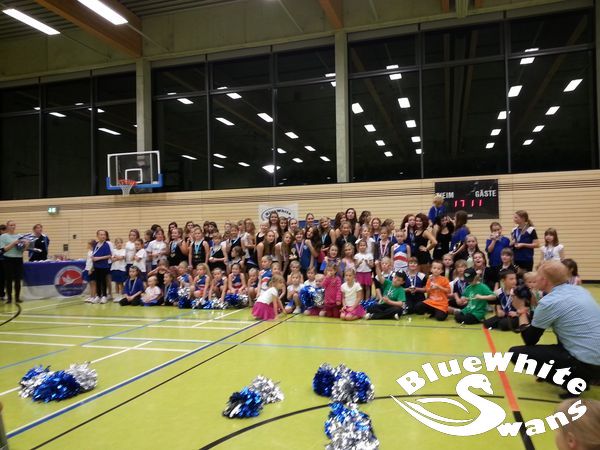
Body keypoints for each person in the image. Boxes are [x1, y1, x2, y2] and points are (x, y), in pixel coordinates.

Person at [509, 261, 600, 398]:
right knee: (565, 334)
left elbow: (530, 340)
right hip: (595, 361)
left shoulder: (549, 302)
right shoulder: (581, 291)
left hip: (586, 362)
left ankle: (575, 382)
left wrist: (521, 311)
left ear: (544, 280)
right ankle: (586, 376)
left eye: (537, 276)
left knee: (516, 354)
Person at [0, 220, 28, 304]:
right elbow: (3, 249)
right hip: (8, 259)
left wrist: (26, 244)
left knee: (18, 279)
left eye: (14, 225)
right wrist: (14, 243)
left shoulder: (19, 236)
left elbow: (22, 250)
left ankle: (17, 298)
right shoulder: (3, 236)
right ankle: (9, 298)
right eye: (11, 225)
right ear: (7, 226)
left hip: (18, 259)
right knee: (8, 279)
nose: (13, 226)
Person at [90, 229, 112, 304]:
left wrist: (98, 258)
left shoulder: (106, 245)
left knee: (103, 281)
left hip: (103, 266)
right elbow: (94, 254)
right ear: (97, 236)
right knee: (98, 281)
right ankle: (98, 296)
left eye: (104, 235)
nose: (103, 236)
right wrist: (93, 261)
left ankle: (104, 296)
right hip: (96, 266)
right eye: (101, 234)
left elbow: (109, 255)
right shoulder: (95, 244)